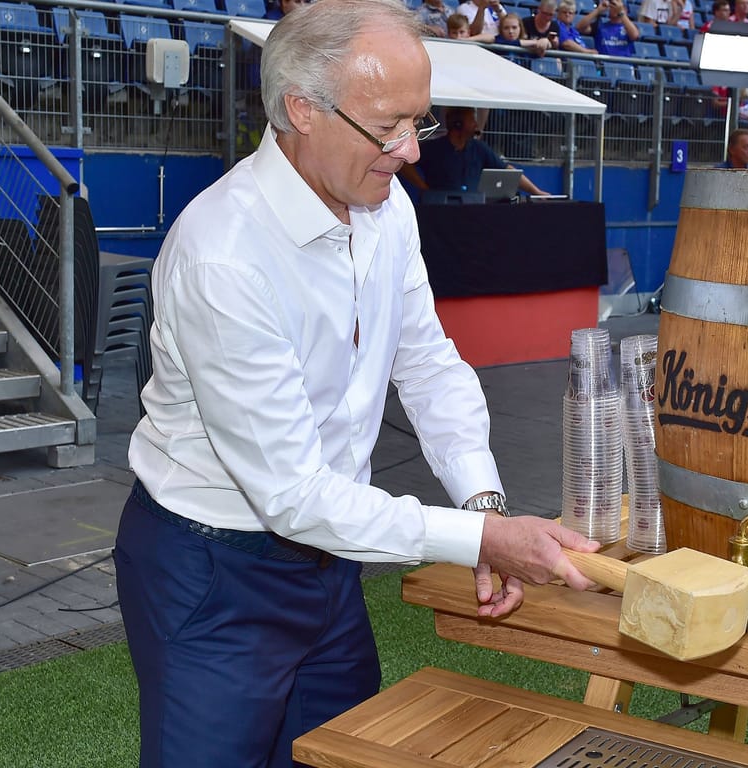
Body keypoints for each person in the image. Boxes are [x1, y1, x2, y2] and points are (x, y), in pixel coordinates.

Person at [113, 2, 598, 767]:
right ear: (302, 109)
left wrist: (483, 502)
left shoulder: (386, 206)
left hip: (332, 565)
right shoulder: (224, 256)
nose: (410, 151)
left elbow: (429, 362)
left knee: (343, 755)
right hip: (214, 576)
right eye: (388, 125)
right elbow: (293, 494)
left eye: (421, 123)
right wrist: (478, 538)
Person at [404, 106, 549, 195]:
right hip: (439, 211)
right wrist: (422, 186)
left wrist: (536, 192)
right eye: (471, 120)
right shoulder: (434, 148)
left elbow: (506, 170)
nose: (476, 124)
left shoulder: (479, 148)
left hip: (472, 211)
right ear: (458, 124)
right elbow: (405, 164)